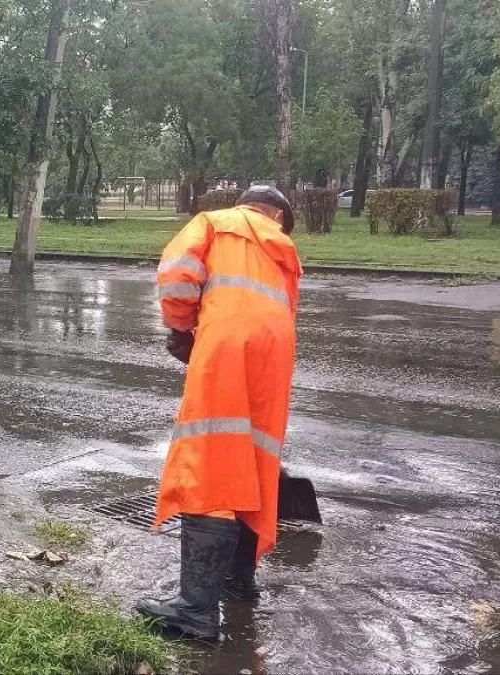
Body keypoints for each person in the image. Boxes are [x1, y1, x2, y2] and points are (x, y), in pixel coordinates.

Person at [137, 185, 303, 642]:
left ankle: (195, 611)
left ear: (246, 206)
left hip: (227, 349)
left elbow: (175, 274)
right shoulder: (284, 251)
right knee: (255, 458)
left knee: (211, 463)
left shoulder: (214, 222)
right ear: (276, 215)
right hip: (275, 360)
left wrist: (181, 328)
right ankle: (238, 581)